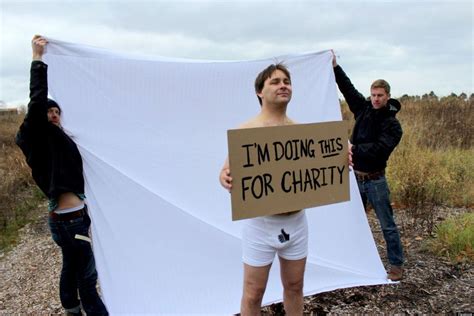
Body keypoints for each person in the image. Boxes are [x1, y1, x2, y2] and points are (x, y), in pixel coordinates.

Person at [16, 35, 108, 315]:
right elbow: (37, 98)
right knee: (87, 276)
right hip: (69, 221)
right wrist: (37, 58)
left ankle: (70, 306)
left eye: (57, 111)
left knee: (72, 264)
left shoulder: (59, 137)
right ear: (38, 117)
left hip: (71, 217)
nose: (54, 115)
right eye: (49, 111)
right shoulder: (38, 137)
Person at [219, 63, 307, 315]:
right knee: (253, 292)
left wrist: (339, 159)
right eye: (275, 82)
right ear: (260, 91)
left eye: (286, 81)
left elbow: (317, 170)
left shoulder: (301, 132)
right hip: (260, 224)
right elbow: (226, 171)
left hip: (297, 222)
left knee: (294, 286)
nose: (283, 86)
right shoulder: (245, 132)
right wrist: (224, 177)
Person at [332, 52, 404, 281]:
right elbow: (348, 89)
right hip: (356, 178)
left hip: (375, 181)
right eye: (373, 95)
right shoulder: (363, 110)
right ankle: (354, 260)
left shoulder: (392, 125)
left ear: (388, 96)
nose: (375, 99)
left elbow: (379, 150)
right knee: (354, 222)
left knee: (387, 225)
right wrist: (335, 67)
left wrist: (351, 148)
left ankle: (396, 265)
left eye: (380, 95)